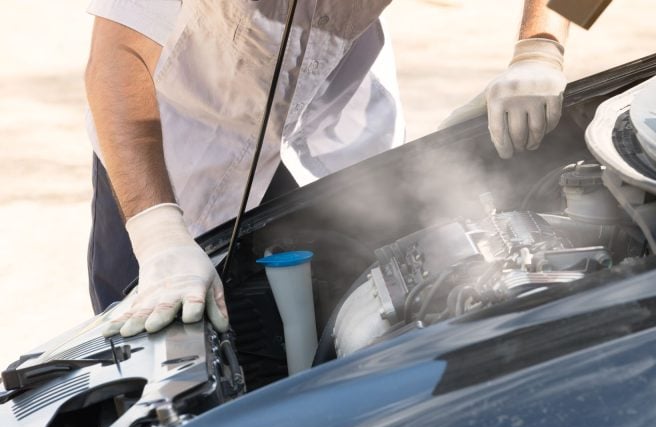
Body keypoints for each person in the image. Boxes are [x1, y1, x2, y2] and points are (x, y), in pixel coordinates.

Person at [85, 0, 569, 337]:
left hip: (335, 128)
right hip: (171, 155)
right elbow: (117, 56)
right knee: (166, 336)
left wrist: (542, 47)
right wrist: (158, 236)